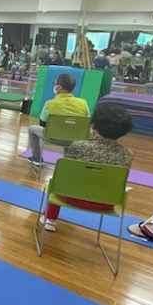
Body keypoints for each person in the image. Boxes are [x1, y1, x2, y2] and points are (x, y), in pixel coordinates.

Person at [41, 104, 133, 232]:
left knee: (59, 180)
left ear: (95, 125)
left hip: (72, 196)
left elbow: (65, 174)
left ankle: (50, 219)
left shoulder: (79, 146)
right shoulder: (127, 154)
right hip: (106, 202)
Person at [26, 73, 90, 167]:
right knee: (71, 131)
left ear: (59, 87)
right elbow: (86, 122)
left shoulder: (50, 104)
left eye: (54, 83)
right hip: (75, 140)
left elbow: (42, 123)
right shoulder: (83, 103)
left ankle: (37, 157)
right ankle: (67, 160)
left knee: (32, 128)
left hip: (53, 137)